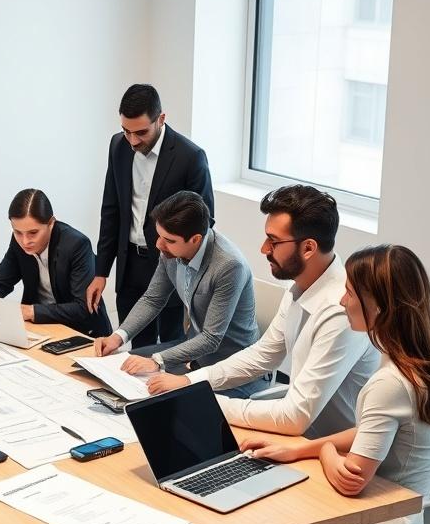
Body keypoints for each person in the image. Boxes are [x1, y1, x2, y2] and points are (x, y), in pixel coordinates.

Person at [192, 244, 430, 524]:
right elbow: (368, 432)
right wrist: (301, 449)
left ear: (379, 307)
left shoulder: (387, 384)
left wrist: (319, 454)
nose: (342, 299)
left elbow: (351, 481)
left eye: (351, 293)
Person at [148, 184, 378, 438]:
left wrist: (206, 401)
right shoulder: (300, 288)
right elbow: (262, 356)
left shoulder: (339, 310)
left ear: (309, 248)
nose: (264, 249)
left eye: (274, 241)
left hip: (336, 453)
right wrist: (190, 383)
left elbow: (295, 417)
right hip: (305, 440)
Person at [92, 191, 263, 397]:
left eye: (169, 240)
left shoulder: (229, 266)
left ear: (195, 239)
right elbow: (153, 299)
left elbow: (211, 338)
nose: (158, 245)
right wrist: (118, 336)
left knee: (155, 398)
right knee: (116, 373)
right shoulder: (171, 251)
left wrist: (157, 360)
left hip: (231, 366)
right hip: (193, 353)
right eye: (159, 236)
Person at [86, 84, 215, 348]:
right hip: (129, 261)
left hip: (171, 264)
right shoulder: (118, 145)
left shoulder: (190, 157)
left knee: (171, 344)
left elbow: (205, 220)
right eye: (126, 131)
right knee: (137, 345)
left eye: (141, 132)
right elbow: (110, 208)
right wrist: (101, 272)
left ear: (161, 119)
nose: (133, 140)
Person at [0, 188, 111, 337]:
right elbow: (0, 283)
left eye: (33, 233)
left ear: (51, 223)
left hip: (84, 333)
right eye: (18, 232)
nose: (25, 241)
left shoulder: (76, 244)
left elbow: (83, 308)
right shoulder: (18, 242)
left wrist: (31, 311)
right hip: (42, 329)